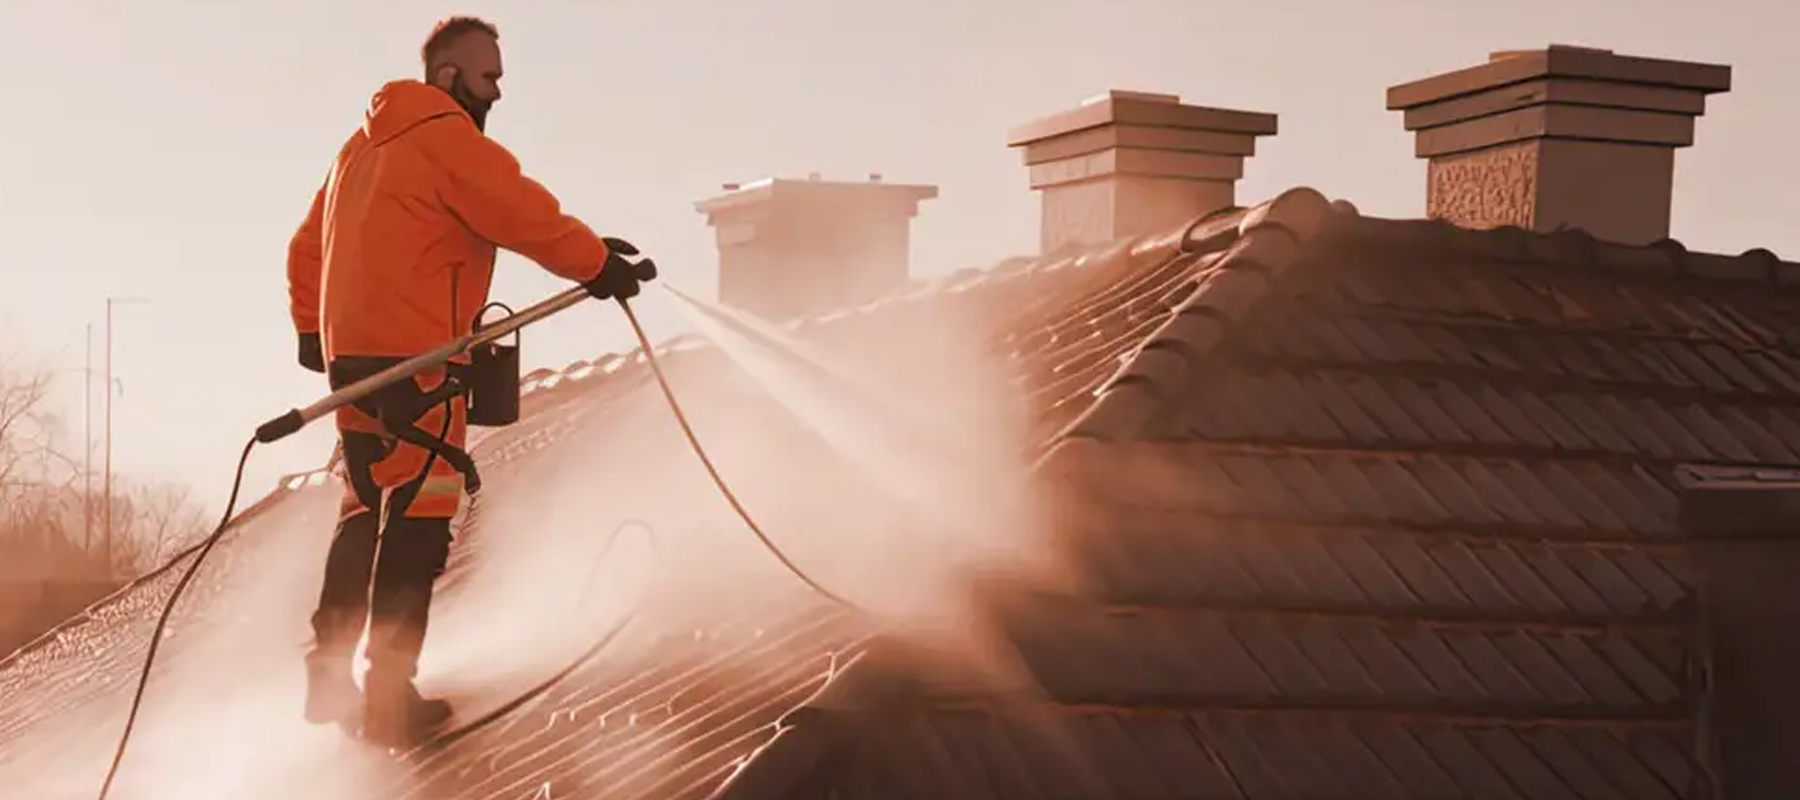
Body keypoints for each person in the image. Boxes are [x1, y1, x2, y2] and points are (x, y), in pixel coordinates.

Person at [284, 15, 656, 749]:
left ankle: (328, 672)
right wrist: (596, 266)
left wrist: (309, 331)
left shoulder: (359, 150)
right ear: (449, 76)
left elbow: (305, 248)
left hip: (353, 367)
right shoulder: (445, 139)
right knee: (420, 517)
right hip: (419, 364)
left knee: (364, 505)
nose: (497, 94)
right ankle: (388, 696)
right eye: (489, 78)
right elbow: (520, 212)